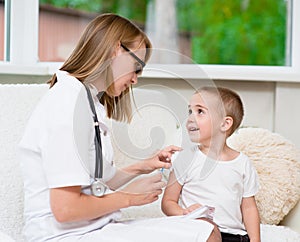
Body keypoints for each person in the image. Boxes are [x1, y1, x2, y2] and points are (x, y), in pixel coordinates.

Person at [18, 13, 220, 242]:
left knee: (204, 226)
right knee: (206, 235)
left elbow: (99, 181)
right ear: (116, 50)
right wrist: (129, 197)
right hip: (64, 236)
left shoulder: (87, 101)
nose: (135, 79)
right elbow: (65, 210)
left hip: (94, 228)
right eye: (137, 66)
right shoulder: (67, 104)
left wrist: (142, 166)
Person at [161, 86, 261, 242]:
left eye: (200, 112)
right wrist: (184, 212)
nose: (190, 118)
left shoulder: (242, 164)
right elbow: (168, 202)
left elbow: (249, 207)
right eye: (190, 112)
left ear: (225, 124)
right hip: (196, 230)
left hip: (233, 235)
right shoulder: (185, 158)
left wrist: (255, 240)